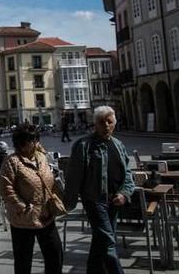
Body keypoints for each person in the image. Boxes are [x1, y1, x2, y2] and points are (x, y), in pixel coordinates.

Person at [63, 106, 135, 274]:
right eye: (102, 122)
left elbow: (128, 173)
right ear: (95, 124)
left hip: (115, 200)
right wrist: (68, 202)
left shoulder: (118, 145)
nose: (106, 126)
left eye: (109, 122)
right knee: (109, 242)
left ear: (114, 123)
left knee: (100, 240)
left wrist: (125, 193)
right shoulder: (83, 145)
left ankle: (93, 271)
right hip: (95, 201)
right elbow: (73, 176)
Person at [0, 123, 63, 274]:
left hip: (46, 216)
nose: (35, 143)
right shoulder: (12, 161)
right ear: (21, 143)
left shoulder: (41, 157)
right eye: (31, 140)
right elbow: (5, 188)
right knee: (23, 261)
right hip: (23, 220)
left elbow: (49, 176)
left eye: (36, 139)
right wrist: (22, 207)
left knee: (55, 255)